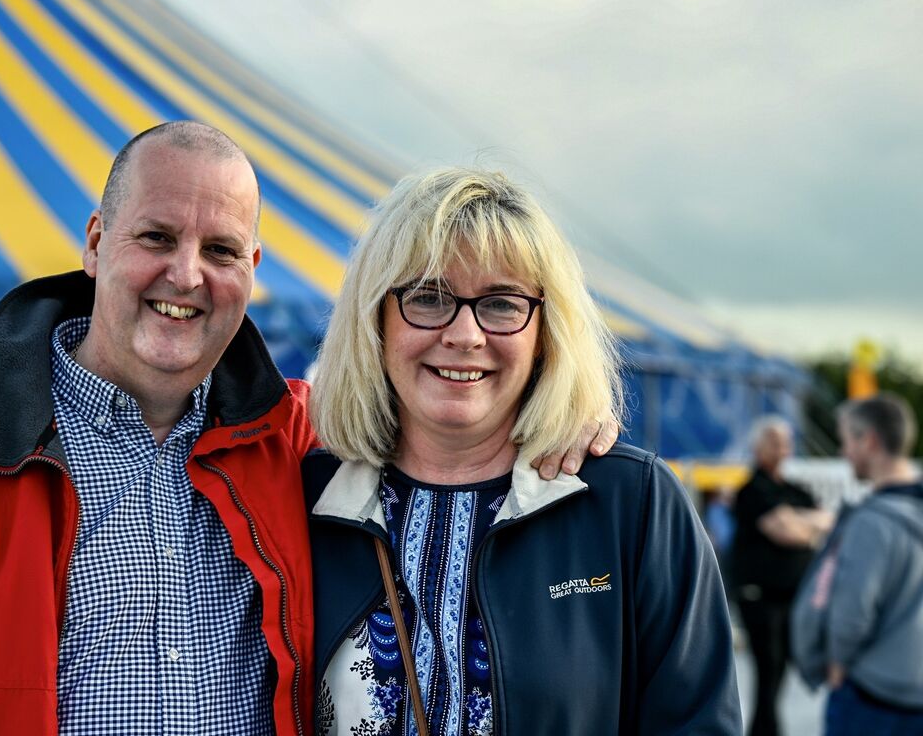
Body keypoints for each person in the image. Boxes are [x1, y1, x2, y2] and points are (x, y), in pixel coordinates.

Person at [0, 122, 613, 735]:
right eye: (156, 237)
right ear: (94, 241)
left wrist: (564, 412)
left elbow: (455, 405)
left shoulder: (304, 445)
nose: (186, 275)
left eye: (221, 249)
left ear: (252, 271)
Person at [303, 168, 739, 734]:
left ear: (545, 332)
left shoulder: (630, 505)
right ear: (374, 320)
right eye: (428, 297)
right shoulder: (304, 499)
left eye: (502, 304)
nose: (464, 335)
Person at [793, 394, 923, 734]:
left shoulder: (871, 522)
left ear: (869, 441)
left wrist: (837, 663)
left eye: (847, 440)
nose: (843, 451)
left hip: (873, 698)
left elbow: (852, 611)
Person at [732, 416, 834, 736]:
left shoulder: (795, 490)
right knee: (768, 669)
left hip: (793, 597)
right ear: (758, 447)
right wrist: (808, 526)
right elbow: (784, 531)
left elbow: (829, 520)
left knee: (782, 672)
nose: (783, 448)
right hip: (759, 596)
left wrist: (798, 521)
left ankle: (766, 729)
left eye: (786, 441)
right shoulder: (751, 490)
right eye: (775, 441)